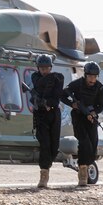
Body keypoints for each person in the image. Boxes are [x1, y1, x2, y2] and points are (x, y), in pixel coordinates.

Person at [61, 61, 103, 187]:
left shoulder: (100, 88)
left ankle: (87, 164)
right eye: (90, 76)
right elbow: (62, 95)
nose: (92, 79)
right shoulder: (76, 84)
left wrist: (93, 113)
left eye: (95, 76)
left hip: (91, 118)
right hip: (78, 117)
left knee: (92, 146)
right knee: (84, 143)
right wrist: (72, 104)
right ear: (86, 75)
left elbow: (101, 105)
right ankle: (82, 172)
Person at [30, 54, 64, 189]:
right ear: (38, 68)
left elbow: (57, 93)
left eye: (47, 68)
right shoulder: (35, 77)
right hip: (41, 114)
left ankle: (47, 165)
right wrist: (41, 102)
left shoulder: (57, 77)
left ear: (51, 67)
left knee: (54, 146)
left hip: (54, 113)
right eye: (42, 68)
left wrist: (48, 102)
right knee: (44, 143)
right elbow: (39, 85)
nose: (44, 70)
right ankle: (44, 174)